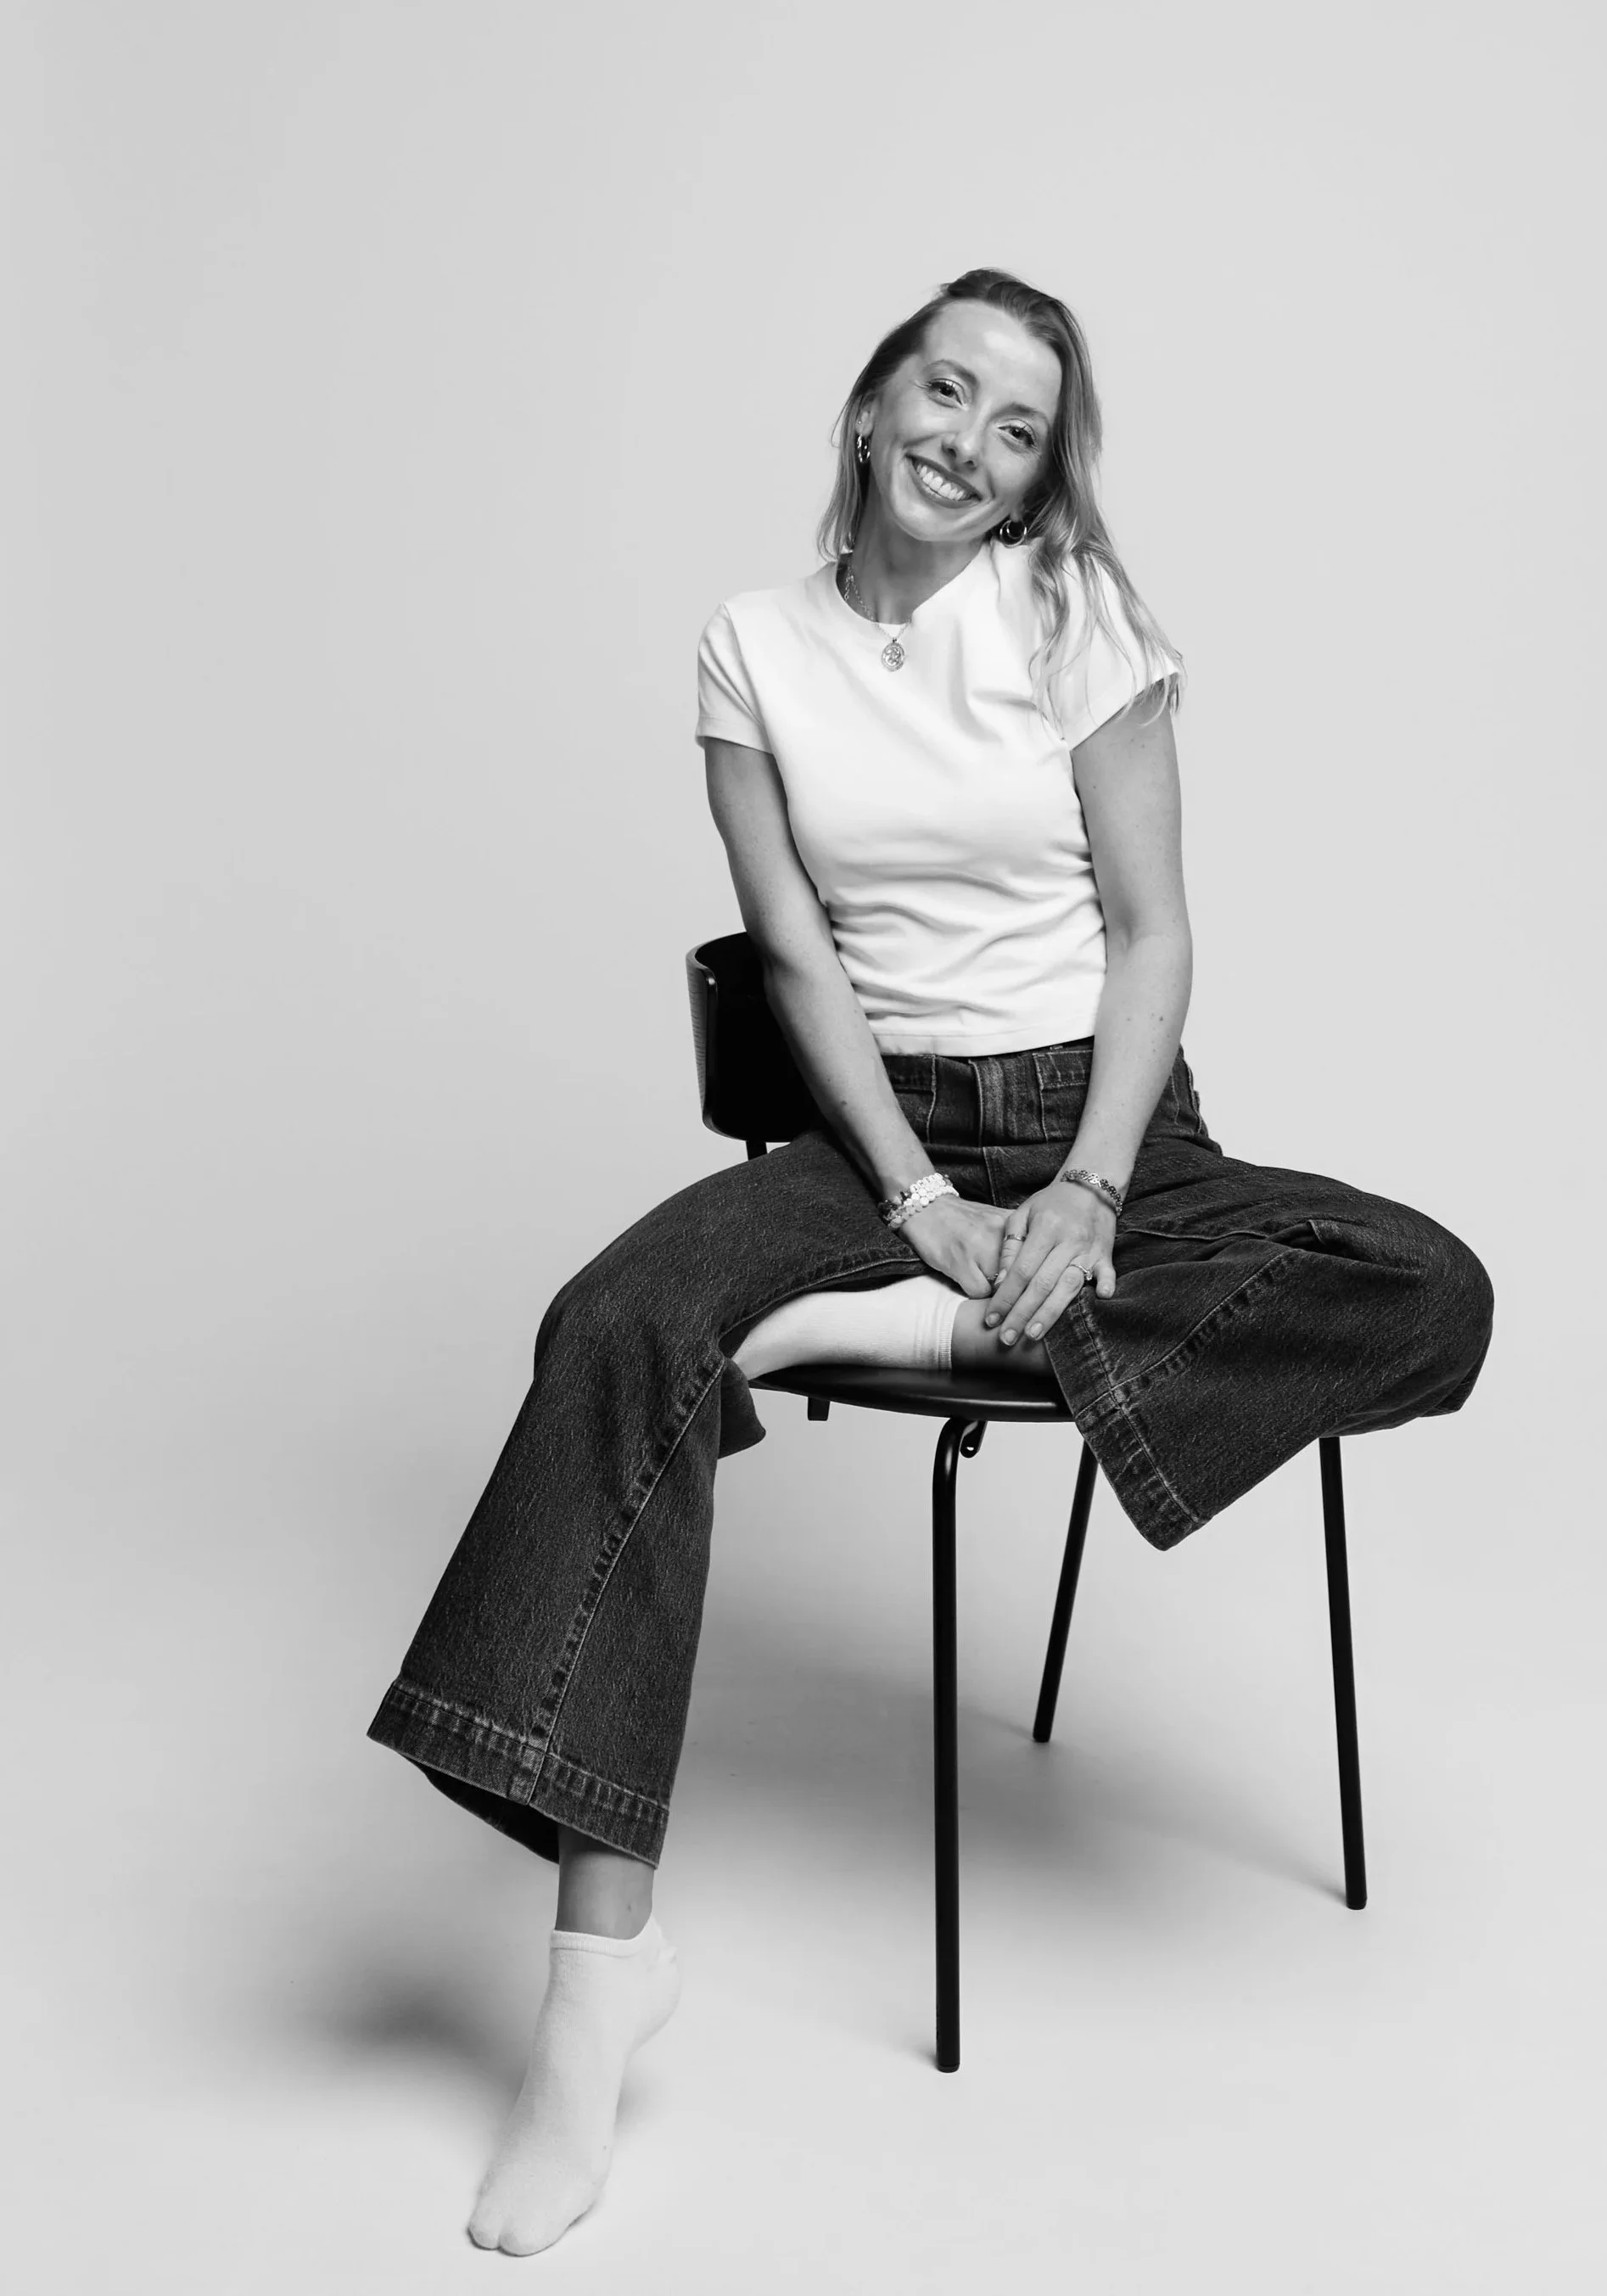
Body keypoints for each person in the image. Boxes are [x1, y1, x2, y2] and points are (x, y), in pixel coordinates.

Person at [367, 267, 1493, 2255]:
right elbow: (798, 961)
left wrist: (1076, 1197)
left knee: (1421, 1281)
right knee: (613, 1320)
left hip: (1102, 1131)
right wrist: (910, 1204)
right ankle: (591, 1985)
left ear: (1043, 474)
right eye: (944, 391)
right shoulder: (751, 650)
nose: (968, 444)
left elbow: (1151, 939)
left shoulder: (1075, 622)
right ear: (870, 396)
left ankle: (956, 1319)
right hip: (874, 1144)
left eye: (1018, 427)